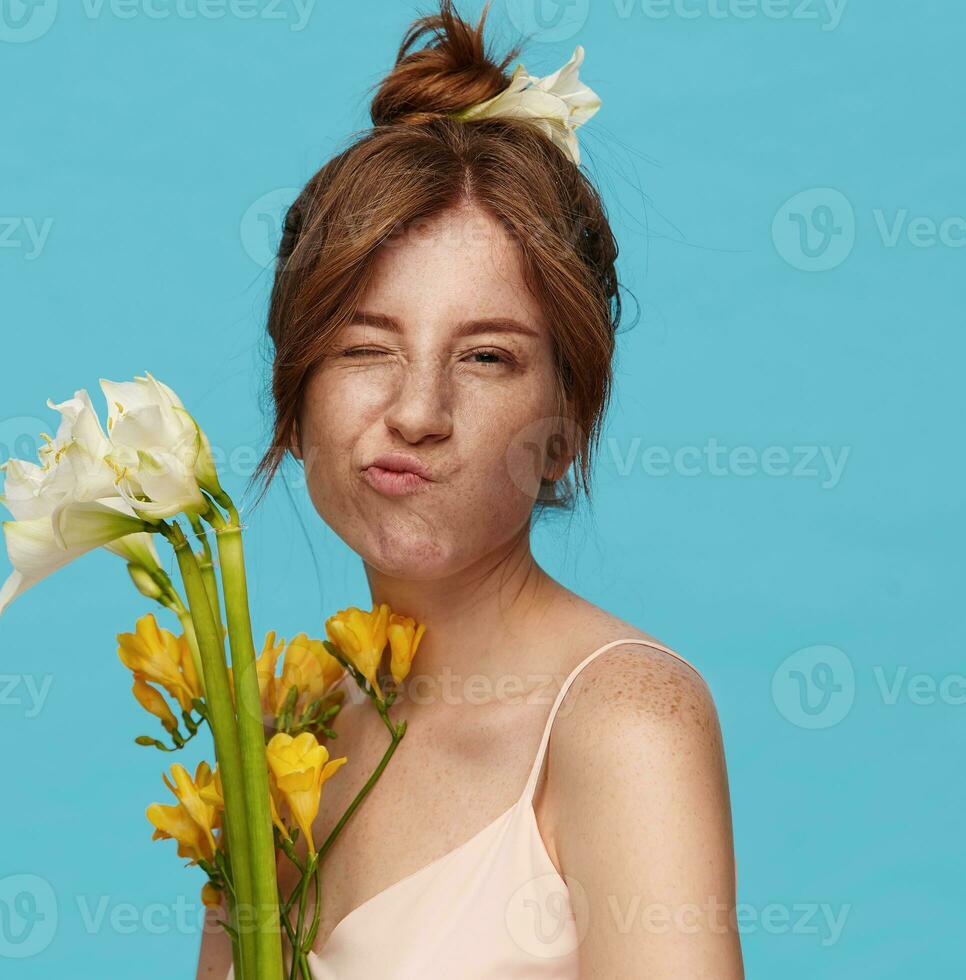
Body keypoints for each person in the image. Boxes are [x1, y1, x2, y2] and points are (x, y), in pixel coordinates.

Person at [199, 3, 742, 976]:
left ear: (564, 426)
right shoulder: (282, 735)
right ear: (293, 391)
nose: (417, 410)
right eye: (366, 347)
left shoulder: (626, 716)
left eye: (487, 356)